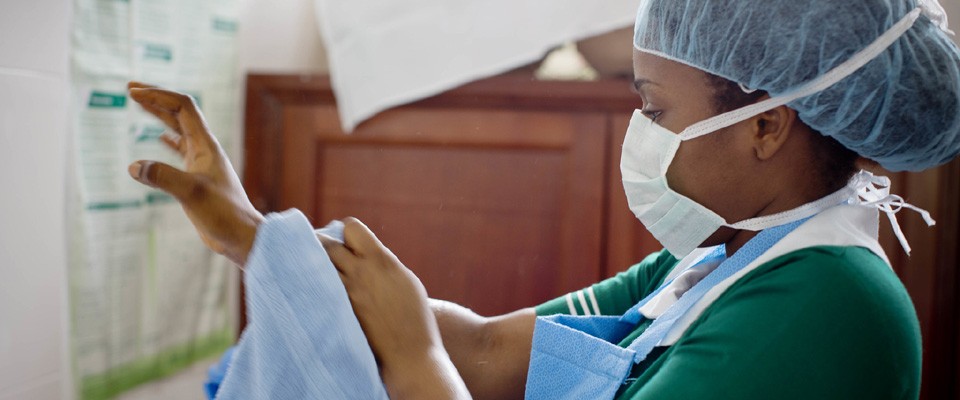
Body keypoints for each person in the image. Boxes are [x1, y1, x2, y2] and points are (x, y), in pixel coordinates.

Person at [126, 0, 960, 398]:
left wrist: (417, 362)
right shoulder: (721, 255)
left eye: (654, 109)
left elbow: (442, 356)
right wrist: (255, 237)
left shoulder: (826, 311)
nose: (643, 133)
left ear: (768, 126)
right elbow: (487, 351)